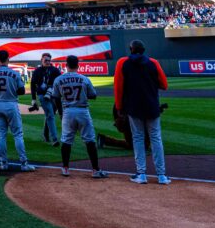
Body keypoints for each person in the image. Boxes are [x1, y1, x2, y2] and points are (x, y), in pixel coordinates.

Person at [114, 40, 169, 185]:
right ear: (143, 50)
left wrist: (119, 107)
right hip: (152, 106)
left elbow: (118, 87)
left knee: (137, 138)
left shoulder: (122, 63)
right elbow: (164, 85)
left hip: (134, 107)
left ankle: (141, 174)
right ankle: (162, 176)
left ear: (130, 49)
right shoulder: (153, 63)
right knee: (156, 138)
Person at [49, 55, 107, 179]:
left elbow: (56, 97)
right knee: (90, 140)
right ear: (78, 65)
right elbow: (93, 95)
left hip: (68, 111)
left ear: (66, 65)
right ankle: (95, 170)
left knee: (66, 140)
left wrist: (60, 112)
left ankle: (65, 168)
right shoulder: (84, 79)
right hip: (82, 111)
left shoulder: (59, 79)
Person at [0, 50, 35, 172]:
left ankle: (3, 163)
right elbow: (22, 91)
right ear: (8, 59)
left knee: (1, 135)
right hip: (11, 104)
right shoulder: (14, 73)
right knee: (18, 135)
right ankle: (24, 164)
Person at [30, 53, 62, 145]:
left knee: (49, 115)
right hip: (42, 95)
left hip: (54, 95)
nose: (47, 62)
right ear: (41, 60)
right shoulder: (37, 71)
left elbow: (60, 82)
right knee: (51, 115)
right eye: (45, 60)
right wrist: (33, 99)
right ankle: (55, 139)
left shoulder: (55, 70)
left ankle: (45, 135)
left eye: (49, 60)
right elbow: (32, 84)